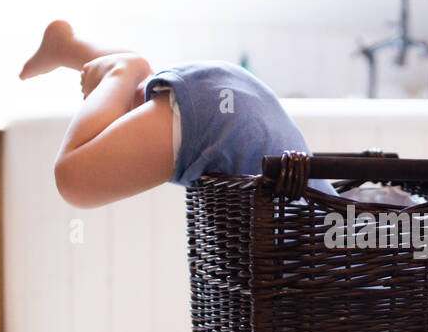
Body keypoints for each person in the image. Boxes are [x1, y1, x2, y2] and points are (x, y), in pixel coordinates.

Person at [19, 19, 322, 207]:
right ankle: (120, 70)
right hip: (231, 121)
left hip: (238, 106)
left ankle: (70, 48)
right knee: (74, 180)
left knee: (142, 99)